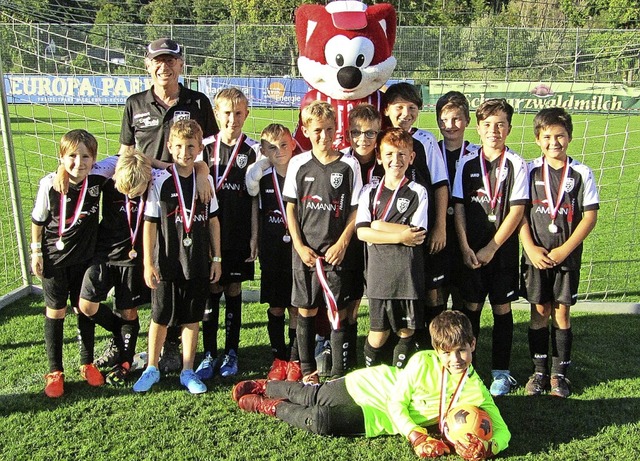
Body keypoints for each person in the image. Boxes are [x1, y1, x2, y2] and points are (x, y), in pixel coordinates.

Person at [232, 310, 511, 461]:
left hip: (380, 418)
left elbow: (502, 431)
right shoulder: (421, 362)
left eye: (462, 350)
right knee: (315, 397)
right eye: (448, 353)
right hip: (370, 387)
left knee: (321, 420)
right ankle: (269, 386)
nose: (456, 359)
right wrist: (416, 436)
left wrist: (489, 448)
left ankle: (268, 406)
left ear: (473, 345)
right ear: (437, 351)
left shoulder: (476, 390)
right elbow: (396, 402)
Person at [117, 37, 219, 373]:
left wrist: (201, 170)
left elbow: (209, 150)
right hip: (150, 203)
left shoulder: (198, 101)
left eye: (171, 61)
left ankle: (175, 348)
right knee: (148, 275)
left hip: (188, 197)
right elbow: (124, 155)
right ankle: (133, 345)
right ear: (147, 65)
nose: (165, 67)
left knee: (183, 267)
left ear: (181, 64)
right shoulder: (134, 104)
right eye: (158, 61)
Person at [133, 120, 222, 394]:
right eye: (180, 146)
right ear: (170, 147)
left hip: (195, 260)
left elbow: (214, 221)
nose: (185, 151)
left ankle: (187, 370)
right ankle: (152, 367)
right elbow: (149, 223)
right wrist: (148, 262)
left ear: (199, 149)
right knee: (159, 317)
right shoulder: (160, 181)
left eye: (191, 146)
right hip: (167, 262)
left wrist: (216, 258)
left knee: (191, 318)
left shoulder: (205, 181)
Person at [520, 108, 599, 398]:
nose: (554, 142)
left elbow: (589, 217)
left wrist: (566, 249)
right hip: (536, 256)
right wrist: (529, 246)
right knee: (539, 311)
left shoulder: (581, 173)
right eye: (548, 136)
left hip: (567, 256)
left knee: (562, 313)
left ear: (570, 137)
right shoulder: (527, 170)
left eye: (560, 136)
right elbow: (520, 214)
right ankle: (539, 373)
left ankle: (559, 376)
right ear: (538, 139)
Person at [31, 129, 117, 397]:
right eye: (71, 156)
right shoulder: (49, 184)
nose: (78, 163)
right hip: (54, 260)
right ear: (61, 157)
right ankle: (55, 371)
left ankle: (87, 362)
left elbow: (122, 156)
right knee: (56, 311)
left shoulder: (98, 176)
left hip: (85, 259)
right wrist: (36, 252)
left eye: (85, 156)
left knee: (84, 309)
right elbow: (38, 221)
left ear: (94, 159)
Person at [452, 99, 528, 396]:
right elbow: (458, 207)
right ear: (479, 128)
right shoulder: (467, 163)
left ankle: (501, 372)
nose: (493, 130)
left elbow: (516, 211)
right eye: (487, 125)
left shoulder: (517, 164)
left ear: (509, 128)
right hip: (470, 252)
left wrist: (491, 248)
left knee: (501, 308)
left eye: (500, 125)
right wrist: (465, 247)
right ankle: (470, 370)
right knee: (471, 306)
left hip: (501, 254)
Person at [282, 100, 363, 383]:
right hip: (306, 253)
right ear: (306, 130)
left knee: (337, 310)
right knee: (306, 308)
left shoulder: (349, 164)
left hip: (336, 253)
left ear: (336, 130)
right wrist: (299, 245)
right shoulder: (298, 164)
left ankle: (338, 374)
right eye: (317, 130)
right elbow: (290, 208)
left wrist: (342, 243)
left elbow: (355, 209)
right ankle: (307, 371)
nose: (324, 136)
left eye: (329, 130)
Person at [196, 88, 260, 380]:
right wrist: (199, 171)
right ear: (216, 114)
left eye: (238, 113)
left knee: (234, 289)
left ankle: (231, 351)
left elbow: (257, 199)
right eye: (226, 113)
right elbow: (190, 170)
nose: (232, 119)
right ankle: (209, 353)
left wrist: (255, 236)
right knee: (212, 288)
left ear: (246, 114)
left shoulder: (255, 150)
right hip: (208, 234)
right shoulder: (204, 148)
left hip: (239, 233)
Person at [76, 150, 153, 385]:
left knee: (129, 311)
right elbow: (80, 169)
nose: (130, 193)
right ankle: (120, 336)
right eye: (125, 189)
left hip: (132, 259)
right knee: (86, 305)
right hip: (104, 253)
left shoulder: (154, 181)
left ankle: (126, 362)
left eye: (136, 191)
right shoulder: (109, 176)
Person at [382, 83, 449, 349]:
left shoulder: (426, 141)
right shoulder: (380, 139)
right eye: (399, 107)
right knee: (392, 292)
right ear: (387, 109)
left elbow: (441, 185)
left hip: (423, 232)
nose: (405, 113)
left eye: (412, 108)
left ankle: (433, 348)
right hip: (387, 235)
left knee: (431, 292)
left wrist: (440, 227)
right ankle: (391, 349)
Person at [356, 128, 429, 368]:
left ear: (411, 158)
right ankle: (370, 375)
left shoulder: (418, 192)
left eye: (401, 154)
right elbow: (362, 232)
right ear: (379, 156)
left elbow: (417, 234)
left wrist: (378, 226)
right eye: (389, 154)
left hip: (407, 274)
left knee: (406, 330)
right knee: (379, 333)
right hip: (379, 275)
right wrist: (399, 235)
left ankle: (397, 378)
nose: (395, 160)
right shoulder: (370, 192)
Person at [245, 124, 302, 381]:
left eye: (283, 145)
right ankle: (278, 357)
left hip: (297, 246)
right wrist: (255, 238)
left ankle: (294, 358)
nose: (279, 151)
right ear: (263, 150)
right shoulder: (262, 178)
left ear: (292, 144)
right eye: (271, 147)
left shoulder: (302, 173)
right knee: (276, 304)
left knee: (296, 304)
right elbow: (256, 210)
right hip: (271, 246)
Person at [435, 91, 478, 312]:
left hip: (467, 232)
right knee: (436, 295)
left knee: (465, 295)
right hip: (438, 232)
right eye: (444, 120)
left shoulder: (477, 154)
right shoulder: (432, 150)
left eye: (456, 119)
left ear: (468, 121)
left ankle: (465, 344)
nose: (450, 125)